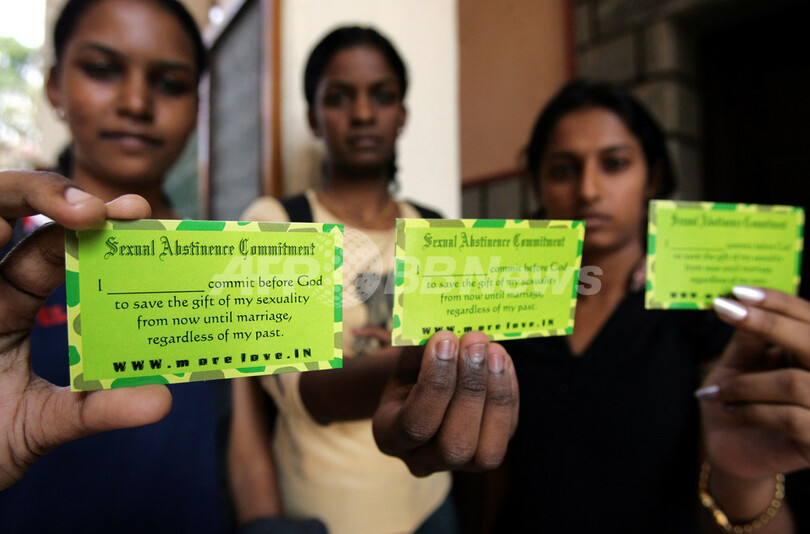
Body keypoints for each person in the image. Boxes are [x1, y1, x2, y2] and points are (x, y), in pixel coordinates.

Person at [470, 78, 810, 533]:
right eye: (563, 170)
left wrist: (746, 479)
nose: (589, 190)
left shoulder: (704, 315)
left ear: (652, 177)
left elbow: (738, 493)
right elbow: (491, 479)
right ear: (538, 184)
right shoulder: (508, 313)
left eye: (614, 164)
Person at [0, 1, 235, 531]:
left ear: (197, 106)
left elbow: (242, 453)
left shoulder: (226, 260)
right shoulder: (4, 255)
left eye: (170, 83)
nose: (135, 103)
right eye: (103, 69)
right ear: (55, 86)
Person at [235, 26, 464, 534]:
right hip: (323, 512)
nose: (362, 114)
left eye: (382, 96)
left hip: (431, 505)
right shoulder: (280, 223)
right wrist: (423, 360)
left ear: (402, 115)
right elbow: (304, 392)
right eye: (339, 97)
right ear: (313, 117)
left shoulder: (434, 228)